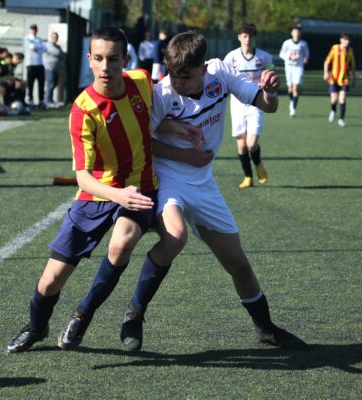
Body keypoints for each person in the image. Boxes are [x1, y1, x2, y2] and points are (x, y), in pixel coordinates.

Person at [119, 31, 307, 352]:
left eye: (186, 77)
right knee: (176, 236)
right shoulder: (161, 92)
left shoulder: (220, 72)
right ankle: (134, 314)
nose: (177, 82)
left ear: (204, 69)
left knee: (238, 263)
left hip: (203, 182)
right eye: (173, 75)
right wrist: (185, 155)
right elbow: (143, 143)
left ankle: (265, 329)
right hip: (169, 178)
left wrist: (270, 93)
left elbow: (265, 104)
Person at [6, 27, 159, 353]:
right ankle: (36, 327)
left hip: (139, 188)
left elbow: (177, 91)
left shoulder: (142, 82)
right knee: (50, 281)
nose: (106, 67)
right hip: (97, 194)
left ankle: (84, 312)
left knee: (121, 245)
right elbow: (83, 178)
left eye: (114, 59)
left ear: (126, 60)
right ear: (89, 60)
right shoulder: (84, 109)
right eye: (99, 59)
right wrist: (117, 195)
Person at [223, 23, 272, 189]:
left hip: (255, 103)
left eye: (250, 36)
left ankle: (258, 164)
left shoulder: (264, 57)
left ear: (254, 38)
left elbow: (271, 71)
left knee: (251, 144)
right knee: (242, 145)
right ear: (239, 37)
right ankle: (248, 177)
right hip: (237, 104)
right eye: (244, 36)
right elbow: (223, 77)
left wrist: (268, 80)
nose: (247, 39)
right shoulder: (231, 58)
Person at [324, 32, 356, 128]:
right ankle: (333, 110)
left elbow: (353, 66)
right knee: (334, 100)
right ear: (341, 40)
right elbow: (326, 62)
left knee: (342, 99)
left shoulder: (350, 51)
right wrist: (326, 72)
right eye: (345, 39)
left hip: (345, 79)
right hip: (333, 79)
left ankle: (341, 119)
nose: (347, 41)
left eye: (348, 40)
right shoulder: (335, 48)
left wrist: (354, 79)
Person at [279, 25, 309, 117]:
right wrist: (289, 57)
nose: (296, 33)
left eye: (298, 32)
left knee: (295, 88)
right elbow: (281, 54)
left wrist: (305, 58)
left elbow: (307, 54)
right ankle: (292, 101)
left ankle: (293, 108)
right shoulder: (287, 43)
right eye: (295, 31)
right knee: (290, 89)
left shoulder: (303, 43)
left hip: (298, 67)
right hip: (289, 67)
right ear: (292, 33)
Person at [24, 24, 47, 109]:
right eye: (32, 29)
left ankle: (41, 100)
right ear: (29, 30)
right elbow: (32, 47)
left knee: (41, 83)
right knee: (30, 84)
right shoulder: (27, 39)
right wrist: (39, 47)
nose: (33, 31)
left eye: (35, 29)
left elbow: (45, 49)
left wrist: (38, 47)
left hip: (40, 64)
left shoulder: (39, 39)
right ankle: (30, 100)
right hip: (31, 64)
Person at [42, 31, 65, 108]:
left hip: (57, 69)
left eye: (56, 37)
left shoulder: (57, 46)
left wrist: (61, 54)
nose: (54, 38)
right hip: (49, 68)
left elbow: (64, 55)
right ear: (50, 37)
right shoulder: (47, 45)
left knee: (54, 84)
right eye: (53, 37)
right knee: (50, 84)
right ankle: (47, 101)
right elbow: (58, 53)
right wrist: (60, 54)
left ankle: (50, 100)